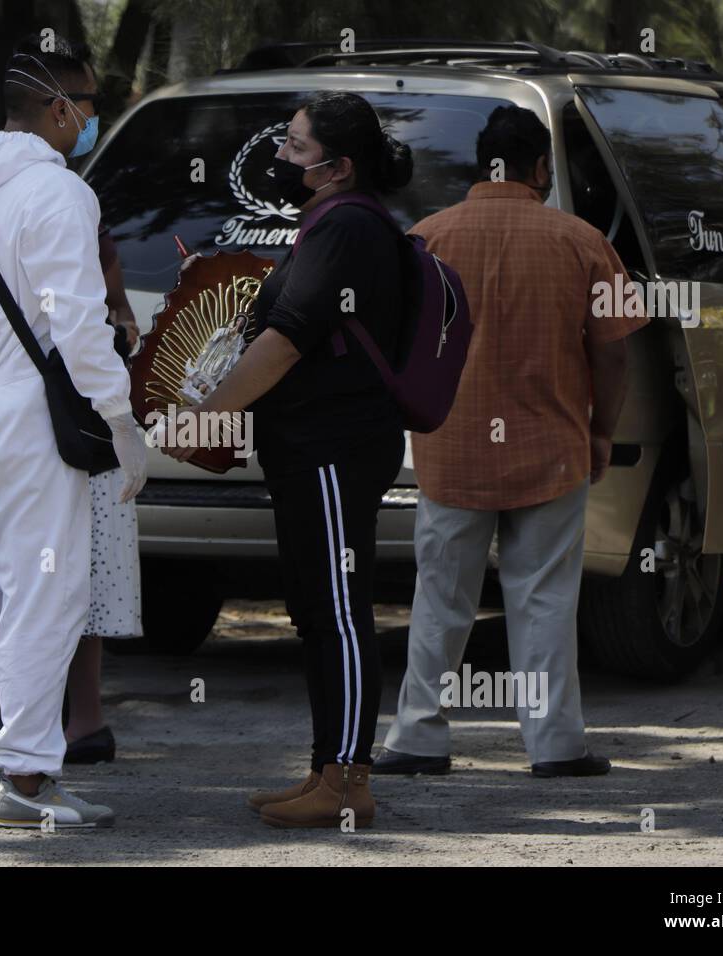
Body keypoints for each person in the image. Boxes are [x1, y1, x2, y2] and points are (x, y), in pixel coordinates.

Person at [0, 35, 147, 828]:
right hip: (25, 416)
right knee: (45, 594)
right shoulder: (58, 194)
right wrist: (120, 421)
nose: (89, 124)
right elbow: (78, 324)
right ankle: (29, 779)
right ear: (58, 110)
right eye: (86, 110)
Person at [158, 91, 411, 828]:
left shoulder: (348, 229)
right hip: (308, 447)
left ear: (339, 167)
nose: (280, 158)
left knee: (337, 608)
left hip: (336, 447)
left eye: (296, 149)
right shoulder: (325, 222)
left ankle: (351, 780)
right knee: (313, 609)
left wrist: (207, 417)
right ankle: (324, 769)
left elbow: (287, 339)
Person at [373, 105, 646, 779]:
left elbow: (392, 347)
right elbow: (614, 355)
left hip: (450, 450)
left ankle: (417, 737)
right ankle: (555, 745)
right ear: (541, 167)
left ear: (481, 162)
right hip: (552, 449)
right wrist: (602, 431)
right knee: (546, 597)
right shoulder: (582, 242)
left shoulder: (426, 240)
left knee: (441, 595)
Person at [64, 222, 142, 765]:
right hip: (86, 418)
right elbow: (118, 317)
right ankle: (83, 719)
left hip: (47, 416)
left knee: (44, 574)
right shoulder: (74, 202)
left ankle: (48, 722)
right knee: (84, 567)